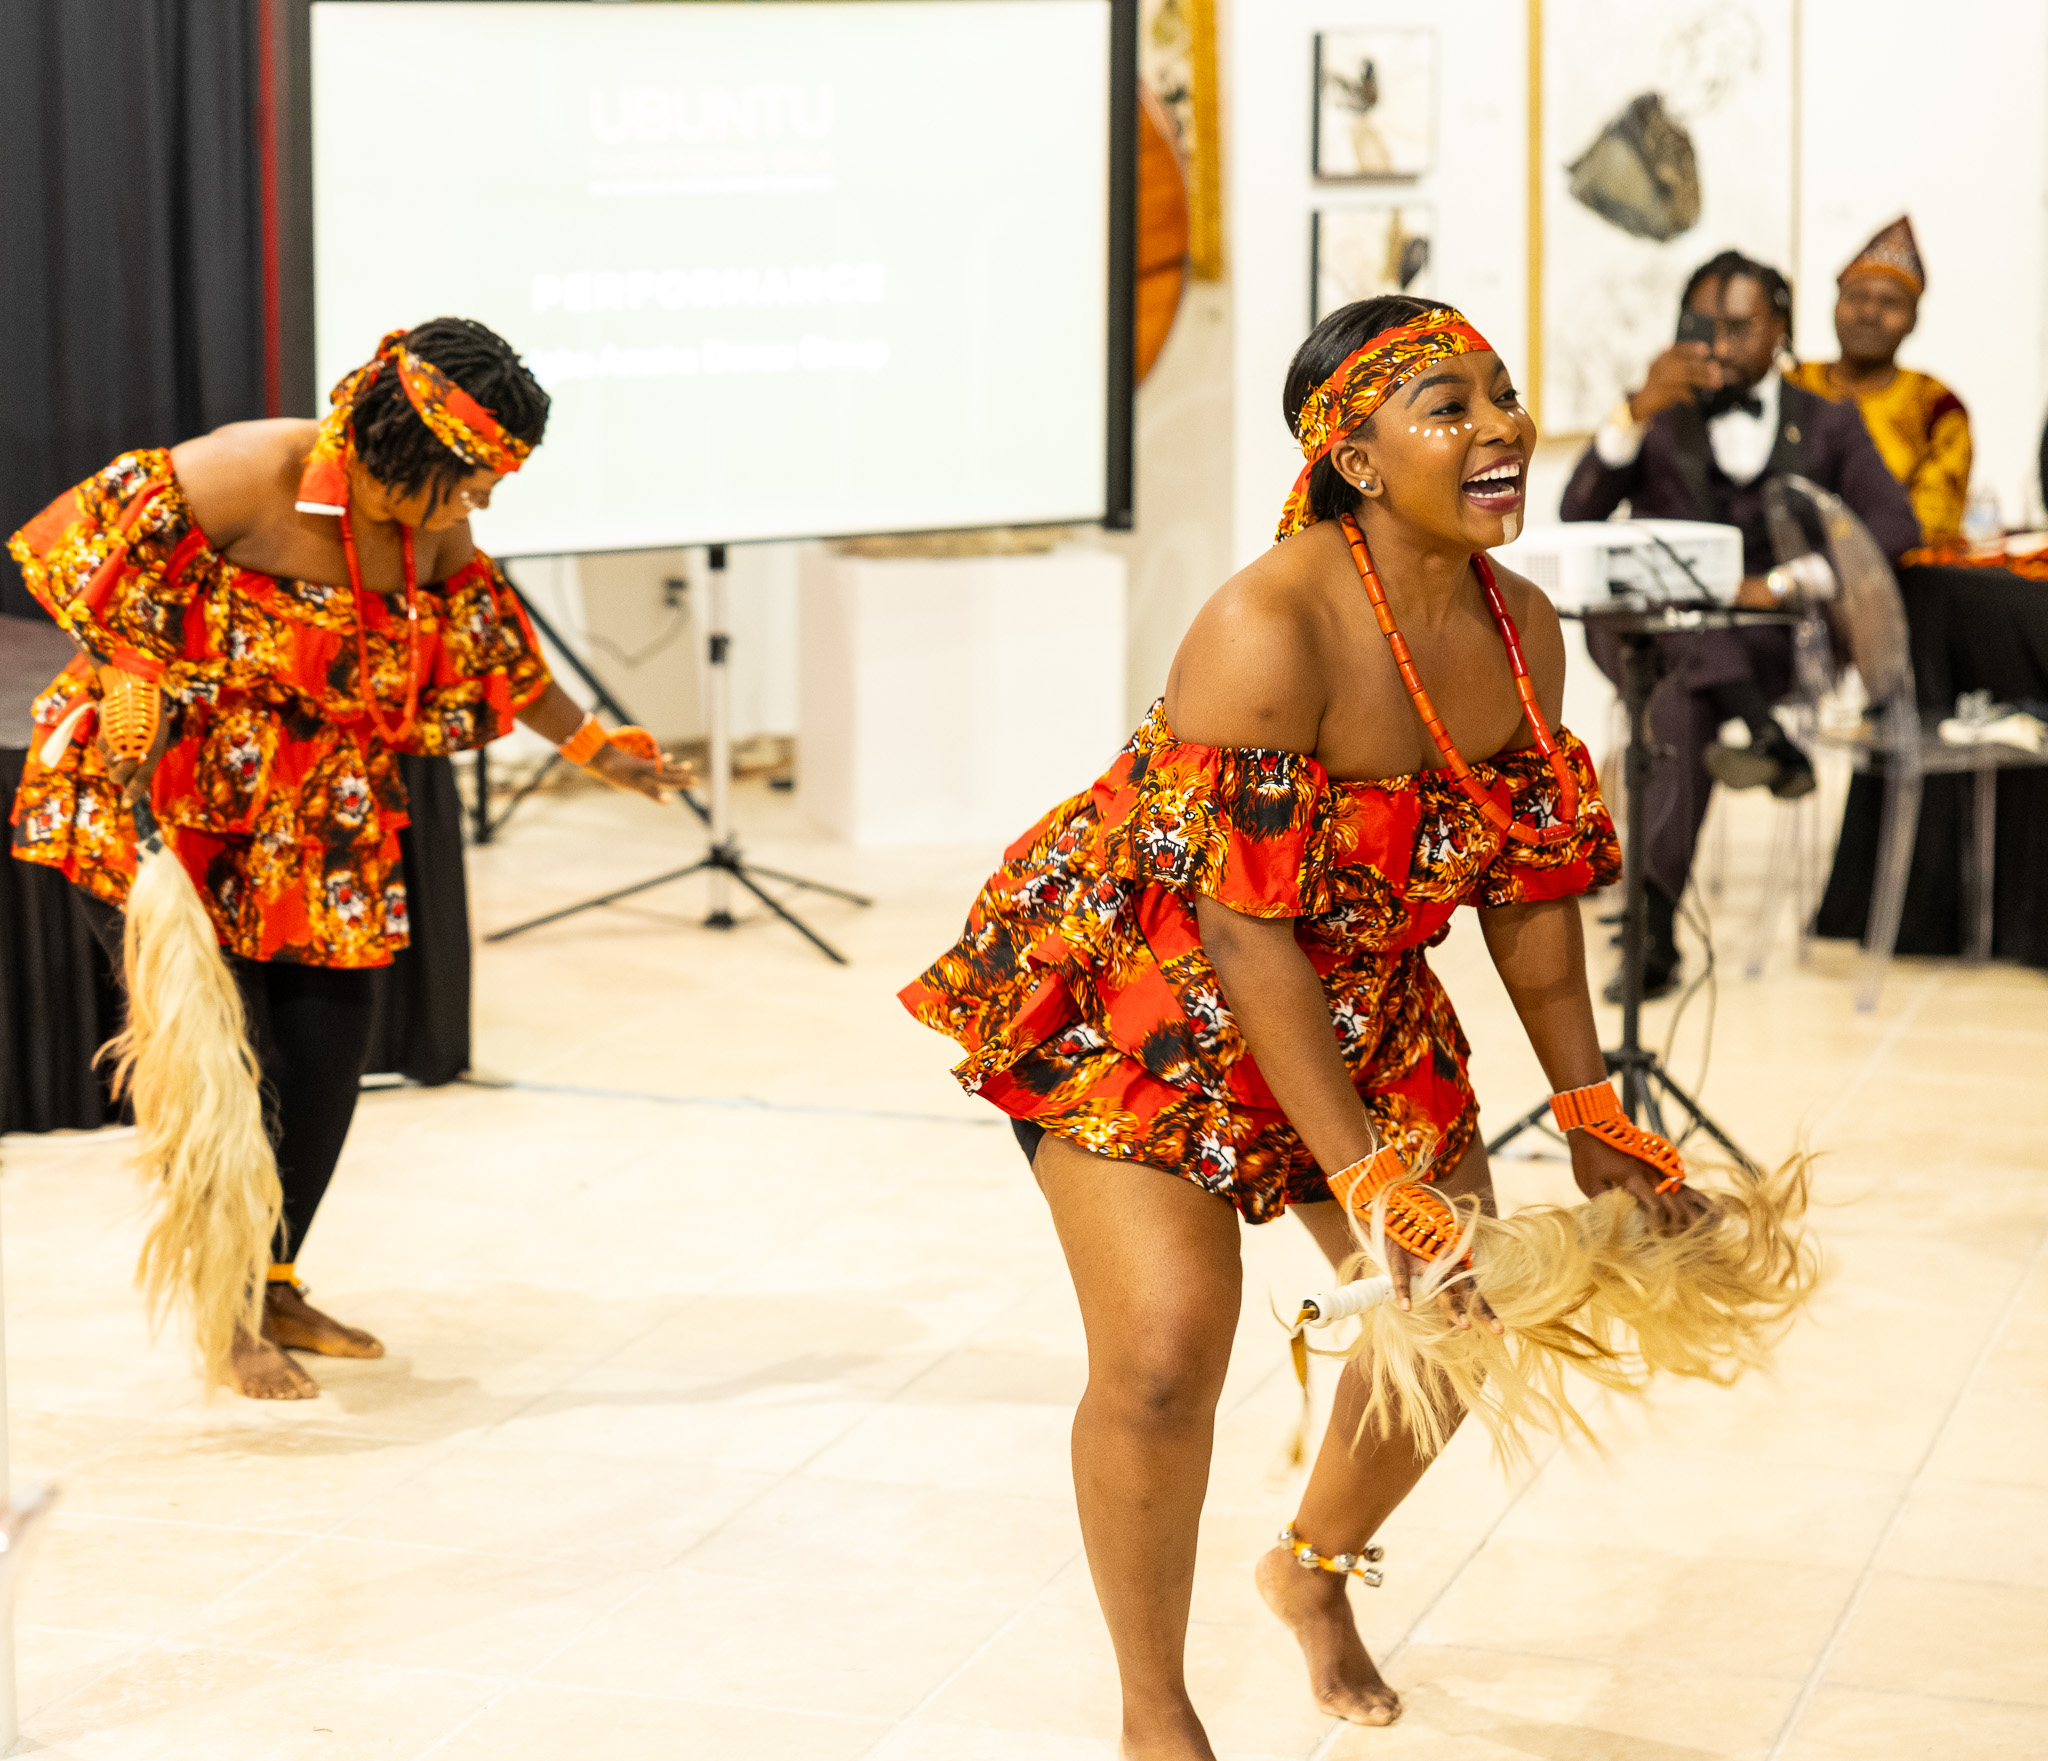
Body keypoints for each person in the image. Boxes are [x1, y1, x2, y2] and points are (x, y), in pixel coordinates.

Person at [901, 300, 1800, 1757]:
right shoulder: (1270, 620)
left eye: (1502, 396)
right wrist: (1367, 1176)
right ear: (1360, 459)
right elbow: (1246, 930)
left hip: (1362, 993)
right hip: (1159, 982)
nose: (1500, 425)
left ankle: (1309, 1573)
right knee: (1163, 1357)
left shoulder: (1523, 631)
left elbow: (1528, 890)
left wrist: (1589, 1112)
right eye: (1449, 406)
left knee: (1449, 1330)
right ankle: (1154, 1709)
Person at [9, 318, 692, 1400]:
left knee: (328, 1065)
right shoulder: (244, 472)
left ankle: (274, 1277)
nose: (481, 505)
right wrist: (132, 670)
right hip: (173, 806)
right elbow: (88, 567)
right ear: (406, 449)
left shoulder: (431, 535)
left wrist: (598, 748)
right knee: (223, 1065)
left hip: (323, 820)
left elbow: (495, 650)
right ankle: (226, 1314)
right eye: (470, 479)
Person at [1560, 250, 1917, 996]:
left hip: (1763, 639)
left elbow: (1893, 525)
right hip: (1643, 628)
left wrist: (1789, 579)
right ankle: (1763, 734)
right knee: (1672, 635)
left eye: (1737, 326)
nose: (1717, 344)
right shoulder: (1658, 417)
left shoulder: (1827, 422)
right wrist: (1632, 413)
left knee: (1679, 702)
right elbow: (1578, 513)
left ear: (1779, 329)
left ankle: (1653, 934)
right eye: (1701, 325)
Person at [1785, 216, 1971, 542]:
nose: (1869, 314)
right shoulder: (1793, 384)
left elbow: (1928, 526)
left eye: (1890, 303)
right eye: (1857, 298)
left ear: (1913, 320)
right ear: (1836, 305)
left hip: (1898, 577)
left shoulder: (1937, 407)